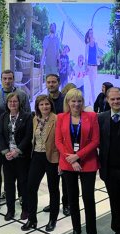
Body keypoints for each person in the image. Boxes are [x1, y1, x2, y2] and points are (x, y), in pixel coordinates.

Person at [55, 88, 99, 234]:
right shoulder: (61, 117)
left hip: (88, 162)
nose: (76, 104)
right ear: (68, 102)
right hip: (68, 163)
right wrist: (71, 159)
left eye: (79, 101)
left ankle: (91, 233)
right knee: (72, 199)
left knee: (88, 199)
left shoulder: (92, 116)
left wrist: (78, 156)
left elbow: (95, 141)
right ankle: (76, 230)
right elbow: (58, 141)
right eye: (73, 101)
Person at [21, 95, 60, 232]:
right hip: (37, 156)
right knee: (31, 187)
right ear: (37, 106)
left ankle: (53, 220)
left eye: (47, 104)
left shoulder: (57, 119)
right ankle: (32, 219)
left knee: (53, 189)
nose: (45, 107)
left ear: (51, 105)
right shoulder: (35, 119)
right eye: (41, 104)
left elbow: (61, 140)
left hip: (52, 157)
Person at [0, 92, 32, 221]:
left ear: (19, 103)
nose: (13, 104)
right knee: (9, 185)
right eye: (10, 101)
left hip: (21, 157)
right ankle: (10, 210)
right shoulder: (3, 117)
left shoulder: (27, 116)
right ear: (7, 104)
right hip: (7, 158)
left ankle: (25, 209)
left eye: (15, 101)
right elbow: (0, 135)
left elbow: (28, 136)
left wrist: (17, 151)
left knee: (23, 184)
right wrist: (5, 151)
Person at [98, 87, 120, 234]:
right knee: (115, 202)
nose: (116, 101)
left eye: (119, 98)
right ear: (107, 100)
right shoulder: (101, 118)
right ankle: (119, 233)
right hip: (109, 170)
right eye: (112, 99)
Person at [43, 74, 70, 217]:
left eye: (54, 82)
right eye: (49, 82)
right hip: (50, 145)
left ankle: (67, 204)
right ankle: (54, 203)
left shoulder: (65, 99)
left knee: (65, 179)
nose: (51, 84)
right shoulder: (44, 100)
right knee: (52, 179)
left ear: (58, 83)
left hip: (64, 144)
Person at [85, 28, 99, 106]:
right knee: (92, 85)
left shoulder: (96, 44)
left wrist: (99, 59)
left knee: (93, 84)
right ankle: (94, 103)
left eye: (92, 33)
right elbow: (85, 57)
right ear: (89, 35)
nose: (91, 34)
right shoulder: (87, 45)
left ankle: (90, 100)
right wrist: (86, 67)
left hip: (95, 66)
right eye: (90, 33)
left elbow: (97, 54)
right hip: (89, 67)